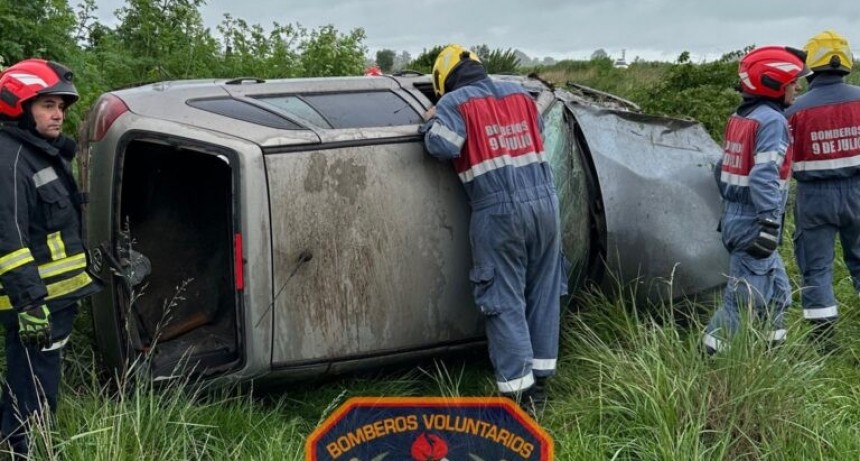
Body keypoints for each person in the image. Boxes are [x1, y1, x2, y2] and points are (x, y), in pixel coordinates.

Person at [420, 45, 567, 412]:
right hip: (546, 205)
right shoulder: (519, 94)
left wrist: (431, 120)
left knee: (503, 298)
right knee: (543, 290)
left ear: (443, 80)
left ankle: (520, 395)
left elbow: (441, 146)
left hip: (499, 210)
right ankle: (542, 379)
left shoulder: (454, 103)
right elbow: (535, 132)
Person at [0, 58, 101, 456]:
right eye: (47, 105)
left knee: (34, 381)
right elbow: (8, 237)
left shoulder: (39, 153)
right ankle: (24, 451)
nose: (58, 114)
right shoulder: (9, 159)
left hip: (54, 299)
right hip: (37, 304)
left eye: (60, 106)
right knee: (33, 386)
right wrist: (30, 303)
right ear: (18, 106)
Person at [703, 46, 809, 354]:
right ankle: (706, 361)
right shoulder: (772, 121)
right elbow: (764, 176)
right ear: (773, 83)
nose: (797, 88)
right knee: (740, 302)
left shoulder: (740, 117)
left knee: (778, 294)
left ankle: (771, 357)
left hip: (737, 217)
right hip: (756, 221)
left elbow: (721, 168)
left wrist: (735, 207)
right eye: (792, 82)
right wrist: (769, 221)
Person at [785, 30, 860, 351]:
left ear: (810, 65)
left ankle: (824, 344)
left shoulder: (793, 111)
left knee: (817, 270)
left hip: (814, 197)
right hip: (858, 192)